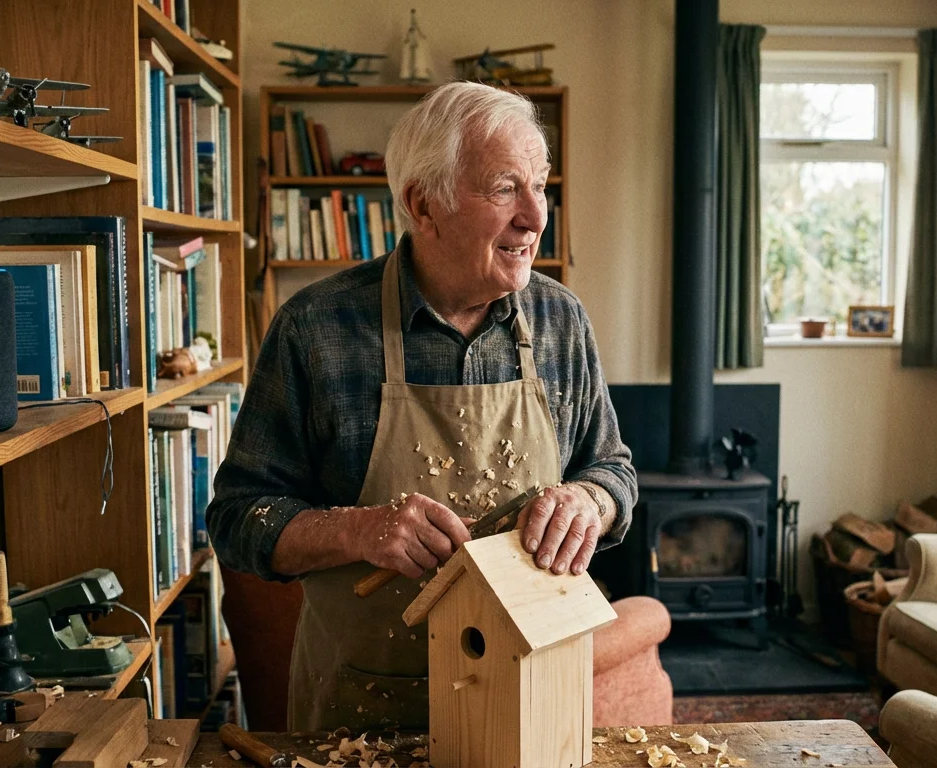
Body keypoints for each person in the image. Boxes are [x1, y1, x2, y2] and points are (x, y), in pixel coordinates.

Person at [206, 82, 637, 732]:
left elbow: (613, 470)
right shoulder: (316, 328)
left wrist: (590, 502)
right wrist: (358, 530)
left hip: (531, 707)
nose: (535, 217)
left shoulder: (560, 320)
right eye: (503, 189)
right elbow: (239, 519)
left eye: (539, 186)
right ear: (423, 203)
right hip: (360, 714)